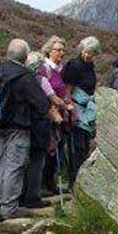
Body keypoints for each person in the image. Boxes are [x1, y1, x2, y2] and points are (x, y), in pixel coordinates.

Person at [0, 39, 49, 221]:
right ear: (24, 57)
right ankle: (9, 209)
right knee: (15, 167)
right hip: (18, 128)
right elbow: (42, 104)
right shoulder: (25, 76)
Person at [21, 52, 60, 208]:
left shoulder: (22, 79)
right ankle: (33, 196)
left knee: (24, 162)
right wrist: (63, 107)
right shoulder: (41, 80)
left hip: (23, 124)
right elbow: (52, 98)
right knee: (37, 162)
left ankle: (21, 195)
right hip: (40, 125)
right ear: (38, 66)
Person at [62, 36, 101, 187]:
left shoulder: (90, 67)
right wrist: (70, 110)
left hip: (87, 110)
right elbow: (67, 90)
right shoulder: (74, 65)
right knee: (76, 148)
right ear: (81, 49)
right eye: (86, 51)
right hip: (77, 109)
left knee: (84, 147)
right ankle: (74, 182)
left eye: (91, 52)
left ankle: (82, 182)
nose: (88, 55)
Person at [39, 36, 73, 195]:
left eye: (63, 50)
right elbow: (44, 92)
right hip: (49, 116)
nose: (62, 53)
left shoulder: (59, 69)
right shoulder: (44, 68)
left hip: (59, 116)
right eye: (58, 50)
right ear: (49, 51)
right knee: (48, 149)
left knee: (55, 149)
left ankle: (50, 183)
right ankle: (44, 185)